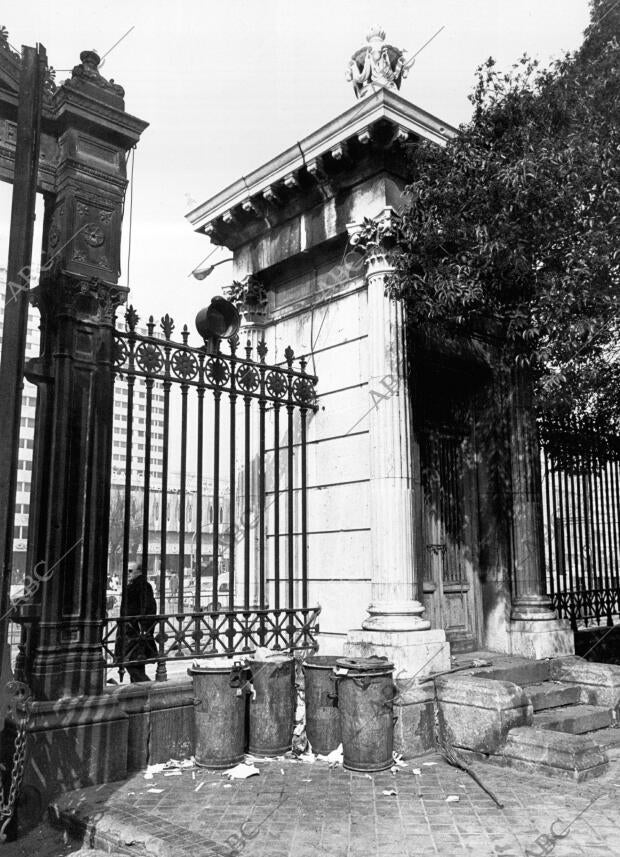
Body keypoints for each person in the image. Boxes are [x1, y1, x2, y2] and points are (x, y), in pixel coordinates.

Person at [115, 561, 158, 682]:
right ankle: (138, 693)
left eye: (130, 571)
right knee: (136, 663)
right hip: (132, 630)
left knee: (131, 663)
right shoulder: (135, 585)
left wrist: (145, 628)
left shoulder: (142, 586)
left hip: (134, 631)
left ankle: (149, 690)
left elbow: (150, 608)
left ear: (138, 572)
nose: (127, 573)